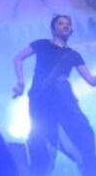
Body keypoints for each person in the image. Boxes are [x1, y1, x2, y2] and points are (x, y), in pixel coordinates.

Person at [14, 14, 96, 176]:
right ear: (53, 29)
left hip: (64, 97)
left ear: (71, 30)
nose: (65, 26)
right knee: (40, 136)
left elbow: (91, 81)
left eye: (68, 24)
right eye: (61, 23)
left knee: (84, 132)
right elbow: (18, 58)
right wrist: (20, 83)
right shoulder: (42, 44)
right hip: (41, 97)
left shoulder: (73, 55)